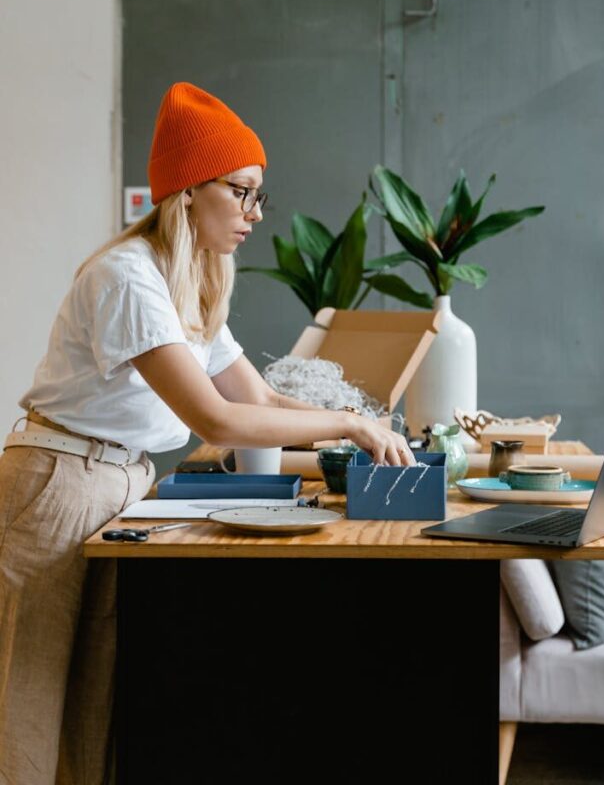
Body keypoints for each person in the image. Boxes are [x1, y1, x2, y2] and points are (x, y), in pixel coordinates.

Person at [0, 80, 415, 785]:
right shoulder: (128, 278)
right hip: (59, 484)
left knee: (93, 706)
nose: (254, 213)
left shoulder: (188, 280)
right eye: (242, 191)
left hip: (115, 486)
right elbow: (216, 420)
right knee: (28, 704)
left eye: (259, 195)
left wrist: (360, 427)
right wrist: (348, 422)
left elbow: (255, 397)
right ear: (189, 190)